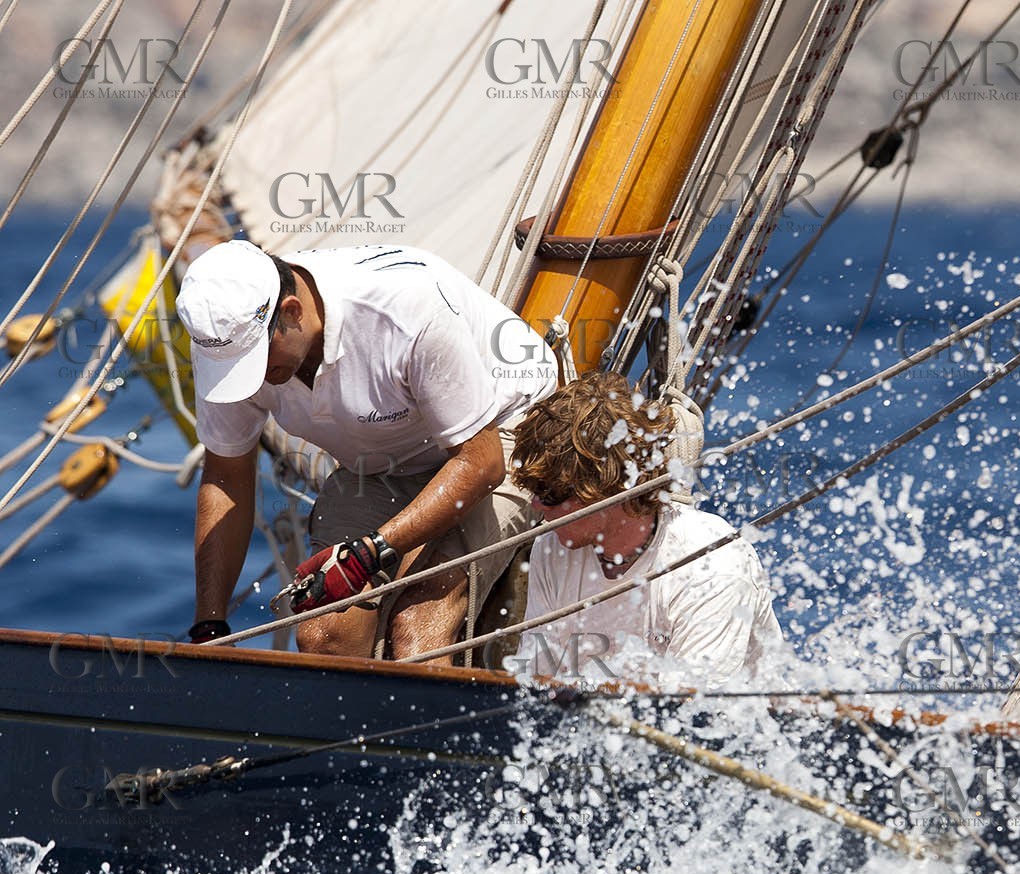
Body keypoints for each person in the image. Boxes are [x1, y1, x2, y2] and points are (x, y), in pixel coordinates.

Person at [175, 238, 557, 659]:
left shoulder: (403, 308)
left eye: (254, 361)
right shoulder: (224, 341)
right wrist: (208, 625)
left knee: (417, 625)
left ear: (291, 312)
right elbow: (227, 476)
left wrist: (366, 556)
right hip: (382, 461)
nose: (250, 378)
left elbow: (481, 463)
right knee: (324, 634)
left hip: (501, 432)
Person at [510, 371, 784, 685]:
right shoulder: (552, 545)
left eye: (551, 493)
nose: (536, 505)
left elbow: (692, 718)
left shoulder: (712, 564)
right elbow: (537, 685)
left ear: (610, 490)